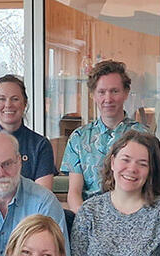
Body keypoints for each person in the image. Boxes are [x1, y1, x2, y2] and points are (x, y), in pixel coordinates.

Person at [61, 60, 148, 213]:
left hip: (133, 217)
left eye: (114, 91)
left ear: (126, 93)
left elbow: (150, 188)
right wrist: (87, 221)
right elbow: (74, 193)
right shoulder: (78, 138)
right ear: (93, 95)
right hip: (89, 219)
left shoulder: (144, 136)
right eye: (101, 92)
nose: (108, 99)